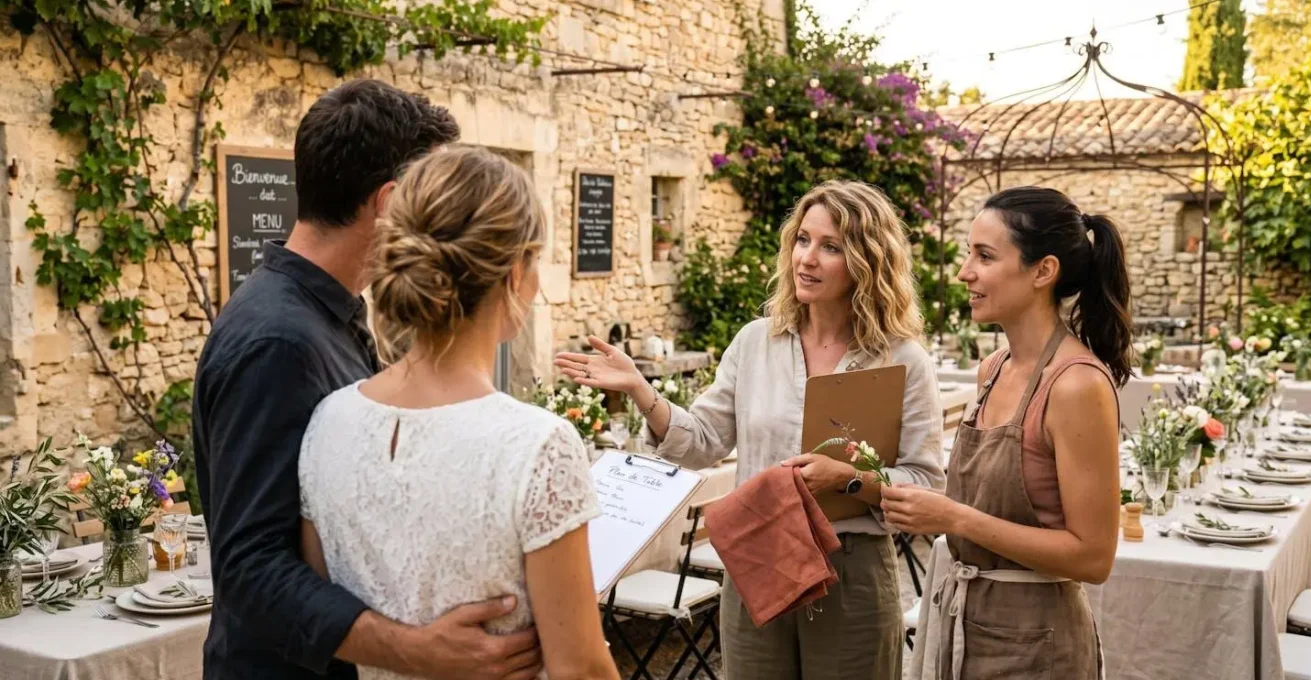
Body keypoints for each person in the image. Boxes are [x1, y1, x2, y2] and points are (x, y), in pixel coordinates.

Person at [193, 80, 542, 680]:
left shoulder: (322, 316)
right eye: (430, 196)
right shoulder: (279, 342)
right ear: (390, 201)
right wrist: (413, 650)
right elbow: (249, 564)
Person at [555, 179, 946, 680]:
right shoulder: (755, 342)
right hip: (758, 558)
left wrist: (849, 478)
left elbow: (925, 483)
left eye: (830, 247)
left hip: (852, 568)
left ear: (867, 261)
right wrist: (639, 389)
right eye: (802, 239)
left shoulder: (903, 359)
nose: (807, 258)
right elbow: (702, 443)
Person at [298, 146, 619, 680]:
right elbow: (581, 670)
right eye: (536, 261)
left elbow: (326, 606)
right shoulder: (536, 445)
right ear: (514, 273)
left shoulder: (328, 422)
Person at [881, 186, 1127, 679]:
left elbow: (1094, 557)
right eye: (968, 253)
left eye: (985, 256)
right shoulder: (992, 369)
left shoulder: (1076, 385)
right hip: (967, 630)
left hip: (1039, 647)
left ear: (1043, 271)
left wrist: (955, 518)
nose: (964, 272)